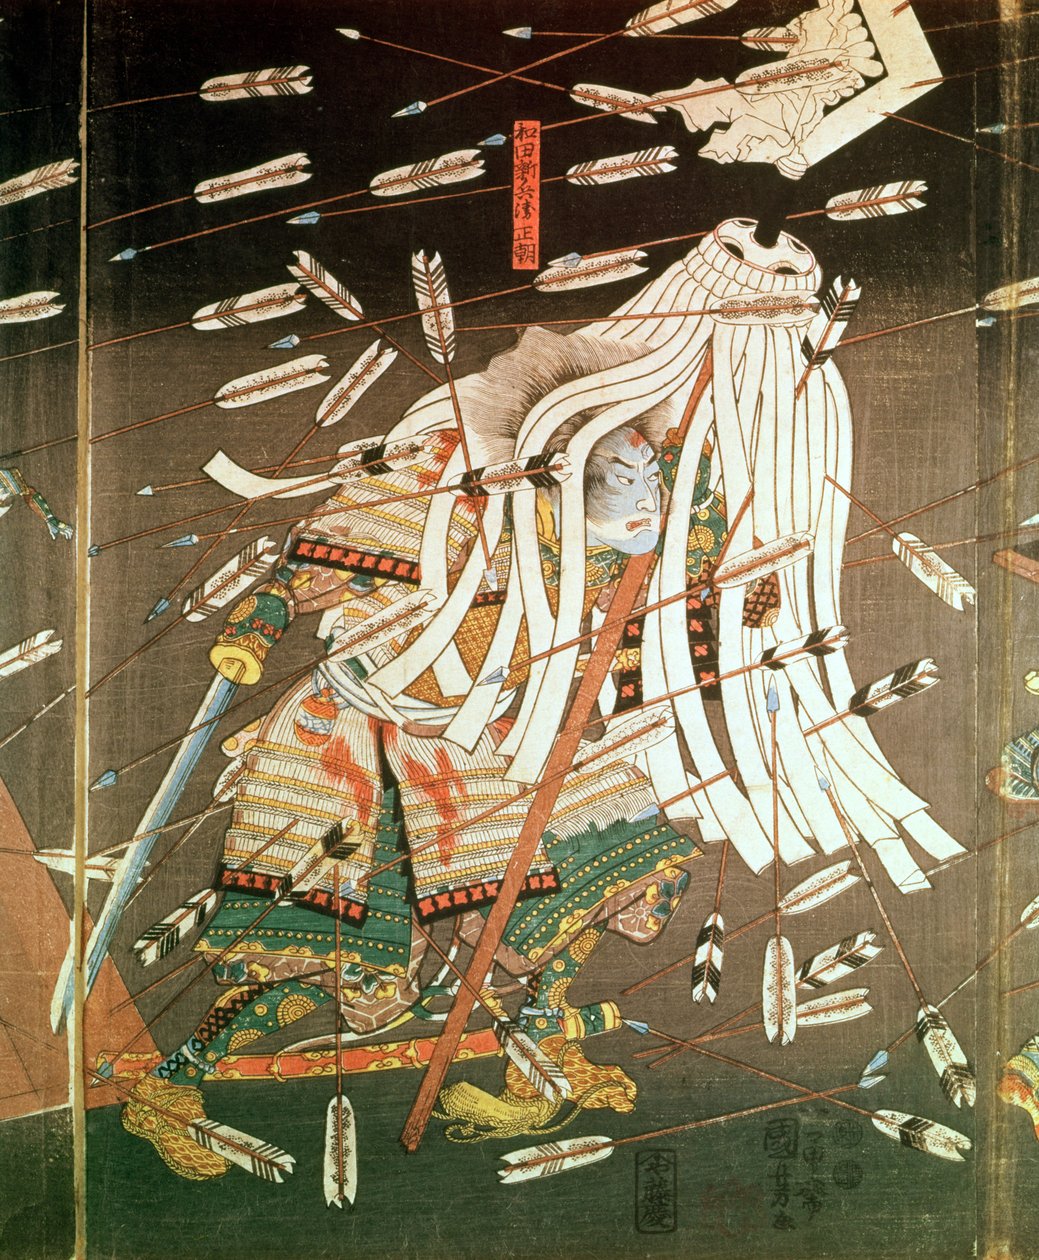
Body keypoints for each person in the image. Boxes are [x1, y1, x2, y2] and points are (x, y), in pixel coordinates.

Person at [120, 329, 729, 1179]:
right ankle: (173, 1084)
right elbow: (308, 569)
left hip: (497, 739)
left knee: (617, 867)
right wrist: (257, 625)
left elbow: (678, 569)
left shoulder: (621, 525)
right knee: (347, 949)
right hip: (357, 740)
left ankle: (536, 1039)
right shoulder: (446, 493)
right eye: (626, 480)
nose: (644, 497)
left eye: (648, 476)